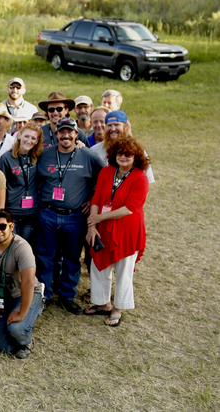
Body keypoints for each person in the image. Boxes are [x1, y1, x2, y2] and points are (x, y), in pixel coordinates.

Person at [36, 118, 104, 315]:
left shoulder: (88, 156)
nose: (65, 135)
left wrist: (93, 199)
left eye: (69, 132)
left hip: (74, 217)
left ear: (76, 134)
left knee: (72, 257)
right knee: (46, 256)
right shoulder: (46, 154)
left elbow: (104, 179)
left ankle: (67, 295)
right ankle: (45, 294)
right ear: (56, 135)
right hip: (47, 214)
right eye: (61, 132)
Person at [85, 137, 150, 327]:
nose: (123, 157)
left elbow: (129, 208)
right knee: (99, 265)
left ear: (136, 157)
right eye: (120, 153)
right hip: (102, 227)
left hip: (127, 230)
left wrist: (98, 219)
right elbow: (96, 199)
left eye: (128, 154)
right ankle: (102, 303)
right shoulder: (106, 172)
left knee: (123, 270)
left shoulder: (140, 177)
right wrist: (92, 226)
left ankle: (118, 308)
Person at [0, 210, 44, 359]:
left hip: (25, 294)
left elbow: (28, 283)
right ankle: (15, 328)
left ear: (12, 227)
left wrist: (22, 313)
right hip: (3, 296)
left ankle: (25, 341)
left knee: (17, 328)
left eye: (2, 226)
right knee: (3, 346)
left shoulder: (22, 247)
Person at [0, 123, 44, 245]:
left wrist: (79, 144)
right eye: (26, 136)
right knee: (13, 244)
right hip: (13, 211)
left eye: (33, 138)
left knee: (25, 245)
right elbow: (1, 186)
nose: (29, 141)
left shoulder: (37, 157)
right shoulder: (6, 158)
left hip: (31, 212)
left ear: (37, 140)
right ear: (19, 135)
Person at [90, 110, 155, 184]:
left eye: (117, 125)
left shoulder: (136, 150)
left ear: (125, 126)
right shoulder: (94, 150)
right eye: (109, 125)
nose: (113, 129)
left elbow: (146, 181)